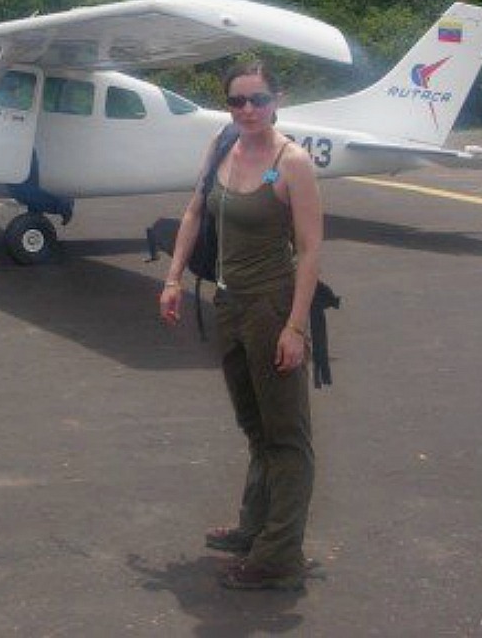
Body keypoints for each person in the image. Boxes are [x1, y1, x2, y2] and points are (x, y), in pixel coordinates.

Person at [158, 61, 323, 591]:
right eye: (237, 101)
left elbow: (311, 249)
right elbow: (194, 213)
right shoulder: (222, 145)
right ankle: (255, 526)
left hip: (271, 307)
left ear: (278, 100)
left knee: (287, 436)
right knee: (256, 427)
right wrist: (172, 278)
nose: (247, 110)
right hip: (229, 306)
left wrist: (295, 328)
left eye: (258, 100)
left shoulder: (291, 161)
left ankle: (278, 555)